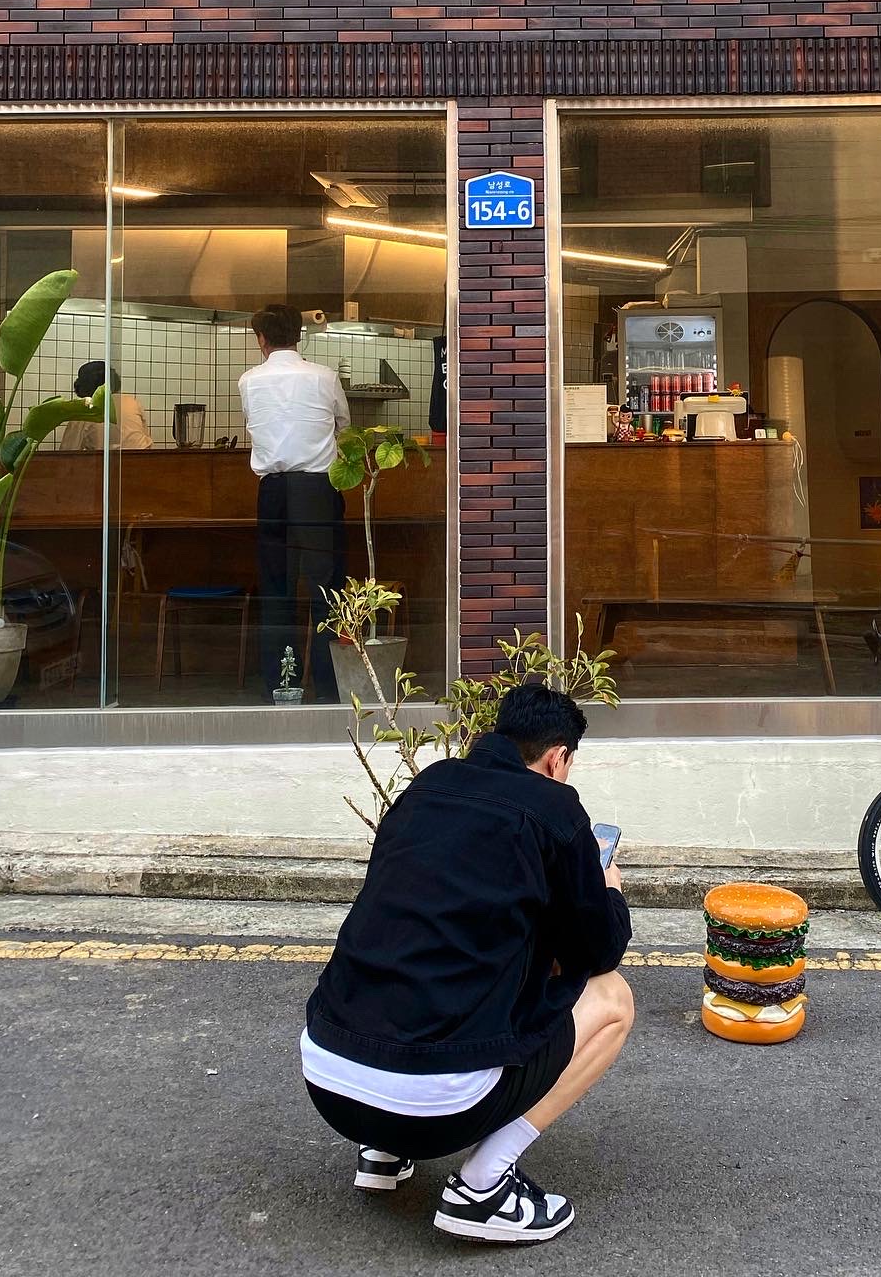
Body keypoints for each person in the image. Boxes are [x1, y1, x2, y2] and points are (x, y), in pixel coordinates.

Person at [302, 683, 634, 1245]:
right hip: (434, 1107)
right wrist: (609, 891)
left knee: (421, 949)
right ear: (558, 758)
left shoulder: (426, 786)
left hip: (329, 1078)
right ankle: (483, 1189)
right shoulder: (555, 809)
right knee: (612, 999)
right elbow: (597, 951)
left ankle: (383, 1153)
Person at [238, 303, 349, 701]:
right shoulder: (325, 377)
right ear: (299, 335)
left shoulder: (249, 381)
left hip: (273, 491)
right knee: (327, 591)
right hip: (319, 489)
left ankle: (281, 685)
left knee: (276, 589)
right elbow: (343, 425)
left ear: (261, 339)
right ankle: (330, 688)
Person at [59, 362, 153, 451]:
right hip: (145, 459)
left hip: (107, 461)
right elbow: (146, 438)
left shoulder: (84, 410)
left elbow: (67, 452)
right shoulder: (132, 401)